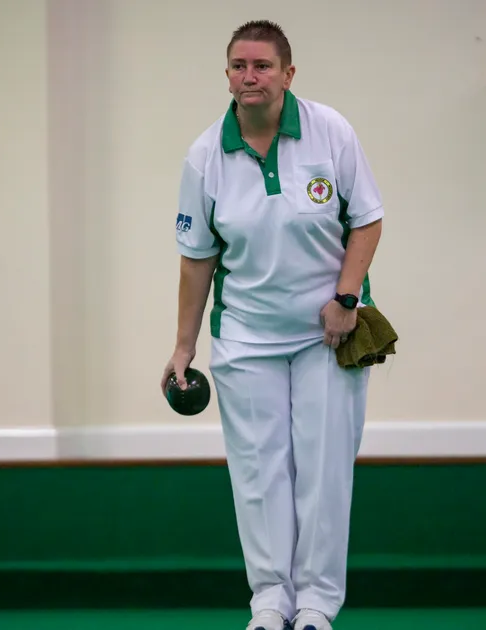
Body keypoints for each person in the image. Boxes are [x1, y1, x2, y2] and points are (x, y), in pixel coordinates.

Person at [161, 19, 385, 630]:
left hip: (328, 335)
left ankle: (315, 604)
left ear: (288, 74)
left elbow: (366, 220)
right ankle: (269, 602)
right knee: (259, 476)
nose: (249, 76)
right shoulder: (206, 154)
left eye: (262, 66)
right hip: (246, 340)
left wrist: (345, 298)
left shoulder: (330, 131)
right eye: (239, 65)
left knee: (323, 472)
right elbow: (197, 259)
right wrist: (184, 347)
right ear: (227, 75)